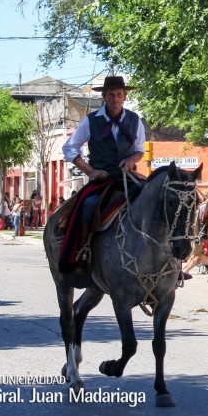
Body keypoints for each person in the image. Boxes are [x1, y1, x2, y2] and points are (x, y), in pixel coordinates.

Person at [61, 75, 145, 270]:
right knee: (88, 205)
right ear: (104, 97)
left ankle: (166, 259)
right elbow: (69, 148)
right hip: (103, 179)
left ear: (124, 96)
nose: (115, 98)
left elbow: (140, 149)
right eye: (111, 95)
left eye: (119, 94)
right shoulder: (91, 121)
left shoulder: (134, 120)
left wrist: (132, 160)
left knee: (154, 199)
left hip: (128, 177)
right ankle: (82, 252)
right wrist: (90, 171)